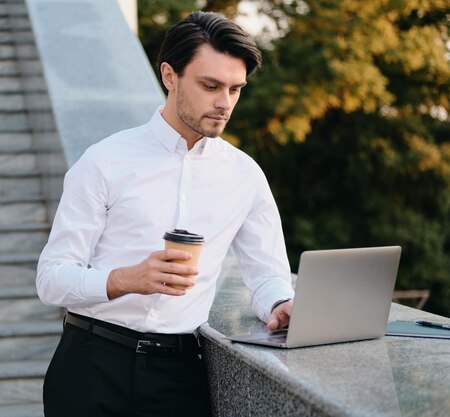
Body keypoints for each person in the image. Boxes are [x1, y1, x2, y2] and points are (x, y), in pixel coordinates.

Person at [37, 10, 295, 417]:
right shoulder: (104, 161)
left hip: (178, 376)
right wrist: (127, 279)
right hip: (91, 365)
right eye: (210, 86)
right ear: (169, 76)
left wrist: (280, 303)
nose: (224, 103)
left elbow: (268, 274)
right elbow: (50, 280)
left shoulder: (245, 175)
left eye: (235, 89)